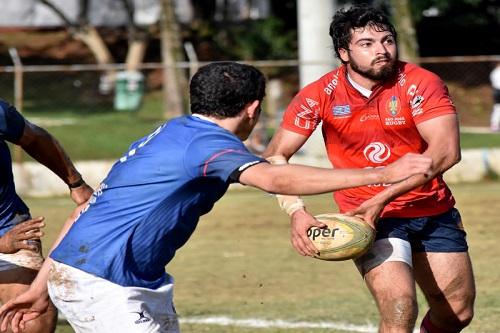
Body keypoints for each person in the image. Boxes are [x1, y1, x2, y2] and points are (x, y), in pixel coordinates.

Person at [0, 62, 432, 333]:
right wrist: (383, 171)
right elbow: (274, 179)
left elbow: (87, 213)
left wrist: (43, 286)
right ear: (253, 109)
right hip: (104, 282)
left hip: (119, 277)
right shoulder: (205, 146)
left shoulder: (176, 131)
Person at [262, 5, 475, 333]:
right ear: (343, 53)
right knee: (399, 306)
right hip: (367, 217)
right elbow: (275, 157)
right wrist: (296, 211)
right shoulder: (320, 93)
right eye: (367, 44)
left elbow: (446, 153)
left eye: (387, 40)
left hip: (431, 210)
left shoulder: (420, 82)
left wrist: (385, 195)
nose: (382, 50)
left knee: (456, 314)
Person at [0, 99, 93, 333]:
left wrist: (76, 184)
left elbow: (34, 138)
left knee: (31, 318)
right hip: (3, 240)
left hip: (6, 225)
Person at [490, 62, 500, 132]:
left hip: (496, 91)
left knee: (497, 108)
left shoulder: (493, 72)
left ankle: (494, 125)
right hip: (498, 90)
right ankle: (494, 125)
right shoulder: (496, 72)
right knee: (497, 108)